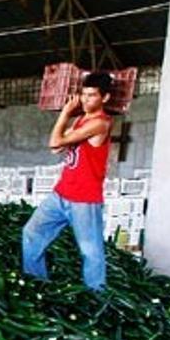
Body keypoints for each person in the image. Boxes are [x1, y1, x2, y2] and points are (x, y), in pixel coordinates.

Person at [21, 72, 115, 292]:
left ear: (105, 98)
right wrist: (69, 121)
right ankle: (38, 285)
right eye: (83, 94)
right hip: (61, 194)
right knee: (31, 233)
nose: (85, 100)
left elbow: (56, 140)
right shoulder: (82, 120)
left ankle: (97, 298)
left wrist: (64, 113)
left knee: (90, 252)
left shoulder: (100, 123)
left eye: (91, 95)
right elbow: (55, 147)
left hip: (84, 199)